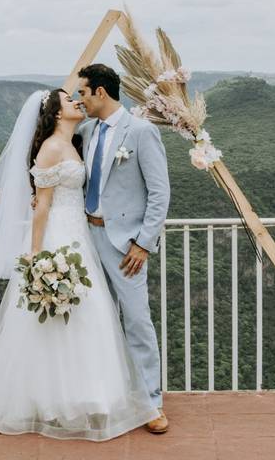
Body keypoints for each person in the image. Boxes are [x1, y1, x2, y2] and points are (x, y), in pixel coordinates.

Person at [0, 87, 161, 441]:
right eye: (70, 101)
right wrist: (37, 257)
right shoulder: (52, 147)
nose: (77, 103)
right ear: (55, 113)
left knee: (89, 315)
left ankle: (91, 394)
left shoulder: (76, 140)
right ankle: (57, 398)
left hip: (82, 238)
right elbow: (41, 206)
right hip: (57, 237)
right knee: (61, 322)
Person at [75, 63, 170, 434]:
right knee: (95, 319)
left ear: (100, 92)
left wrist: (143, 244)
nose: (80, 100)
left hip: (124, 243)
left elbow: (160, 193)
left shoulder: (141, 132)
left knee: (136, 319)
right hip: (85, 237)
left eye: (83, 92)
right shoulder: (85, 130)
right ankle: (103, 396)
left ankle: (151, 403)